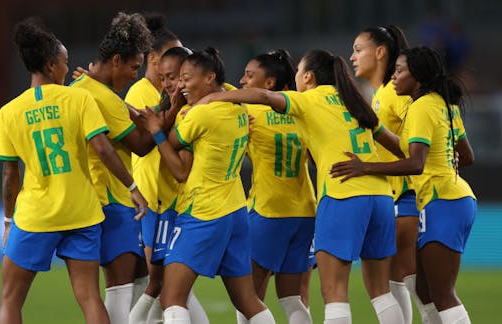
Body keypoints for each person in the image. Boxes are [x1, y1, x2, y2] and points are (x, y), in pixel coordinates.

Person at [197, 49, 406, 324]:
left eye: (249, 76)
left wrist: (213, 97)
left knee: (315, 293)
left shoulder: (303, 103)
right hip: (373, 199)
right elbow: (403, 150)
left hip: (313, 200)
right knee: (376, 292)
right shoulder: (354, 102)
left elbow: (263, 98)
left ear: (308, 76)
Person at [0, 18, 147, 324]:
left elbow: (11, 175)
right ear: (51, 66)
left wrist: (9, 219)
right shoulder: (79, 98)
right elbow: (103, 150)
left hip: (37, 213)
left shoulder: (9, 112)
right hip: (82, 212)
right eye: (64, 62)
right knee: (90, 297)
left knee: (11, 299)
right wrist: (132, 188)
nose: (68, 68)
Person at [330, 46, 476, 324]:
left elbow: (415, 163)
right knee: (423, 288)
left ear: (418, 76)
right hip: (456, 199)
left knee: (443, 294)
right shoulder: (443, 103)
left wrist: (366, 167)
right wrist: (445, 156)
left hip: (442, 201)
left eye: (399, 71)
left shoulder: (421, 107)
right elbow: (467, 156)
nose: (394, 77)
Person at [139, 47, 276, 324]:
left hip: (203, 211)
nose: (180, 85)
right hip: (235, 209)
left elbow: (177, 164)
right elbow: (232, 90)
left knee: (172, 297)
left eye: (185, 78)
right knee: (247, 300)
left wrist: (156, 129)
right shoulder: (235, 103)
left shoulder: (200, 116)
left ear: (209, 77)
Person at [68, 12, 156, 324]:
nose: (136, 75)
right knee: (121, 289)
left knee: (148, 284)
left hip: (98, 200)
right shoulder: (105, 99)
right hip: (114, 202)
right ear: (116, 61)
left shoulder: (79, 84)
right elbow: (143, 145)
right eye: (134, 67)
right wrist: (167, 115)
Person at [129, 45, 210, 324]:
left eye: (173, 77)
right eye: (163, 78)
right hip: (159, 203)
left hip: (179, 205)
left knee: (163, 286)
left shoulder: (191, 112)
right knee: (163, 285)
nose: (167, 84)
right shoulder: (170, 108)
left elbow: (181, 171)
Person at [234, 49, 316, 324]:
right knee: (293, 297)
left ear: (269, 84)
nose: (242, 81)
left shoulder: (250, 110)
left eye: (249, 75)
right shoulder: (303, 111)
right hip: (305, 211)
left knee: (248, 297)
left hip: (268, 211)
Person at [350, 25, 416, 324]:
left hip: (408, 197)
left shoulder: (394, 94)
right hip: (396, 198)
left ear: (380, 53)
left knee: (417, 287)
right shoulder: (380, 95)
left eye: (358, 49)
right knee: (396, 280)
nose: (352, 57)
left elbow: (419, 136)